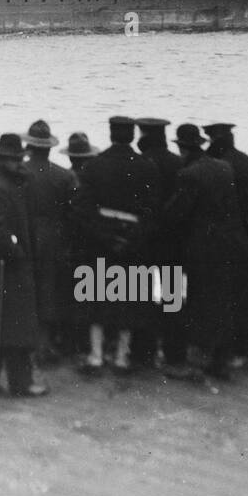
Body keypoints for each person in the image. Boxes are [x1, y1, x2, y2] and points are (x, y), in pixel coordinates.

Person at [163, 124, 248, 380]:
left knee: (201, 303)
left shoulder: (189, 174)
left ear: (181, 147)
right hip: (227, 243)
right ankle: (221, 359)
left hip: (201, 247)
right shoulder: (224, 167)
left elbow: (177, 213)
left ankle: (200, 361)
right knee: (221, 301)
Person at [72, 117, 160, 374]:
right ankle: (122, 356)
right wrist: (131, 238)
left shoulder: (93, 166)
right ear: (132, 136)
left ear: (110, 135)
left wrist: (105, 235)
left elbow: (82, 208)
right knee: (129, 298)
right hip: (133, 241)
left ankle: (96, 355)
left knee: (97, 297)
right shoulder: (147, 166)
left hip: (100, 241)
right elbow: (153, 211)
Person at [0, 134, 46, 397]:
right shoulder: (0, 188)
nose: (20, 164)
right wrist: (15, 250)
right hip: (6, 268)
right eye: (15, 160)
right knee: (15, 328)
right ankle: (20, 383)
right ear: (4, 161)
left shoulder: (4, 182)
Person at [203, 122, 248, 353]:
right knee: (245, 288)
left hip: (223, 235)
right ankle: (246, 338)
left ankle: (226, 340)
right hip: (246, 232)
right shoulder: (246, 161)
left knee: (222, 291)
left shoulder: (217, 165)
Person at [22, 120, 78, 364]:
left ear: (29, 146)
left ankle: (28, 345)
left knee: (26, 290)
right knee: (49, 291)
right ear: (49, 147)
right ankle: (46, 344)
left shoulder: (19, 172)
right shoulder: (64, 175)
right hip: (55, 238)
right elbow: (72, 213)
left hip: (25, 236)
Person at [134, 117, 185, 369]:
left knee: (141, 294)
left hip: (145, 238)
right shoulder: (178, 163)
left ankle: (144, 351)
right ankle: (175, 351)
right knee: (172, 295)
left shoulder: (140, 163)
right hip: (172, 239)